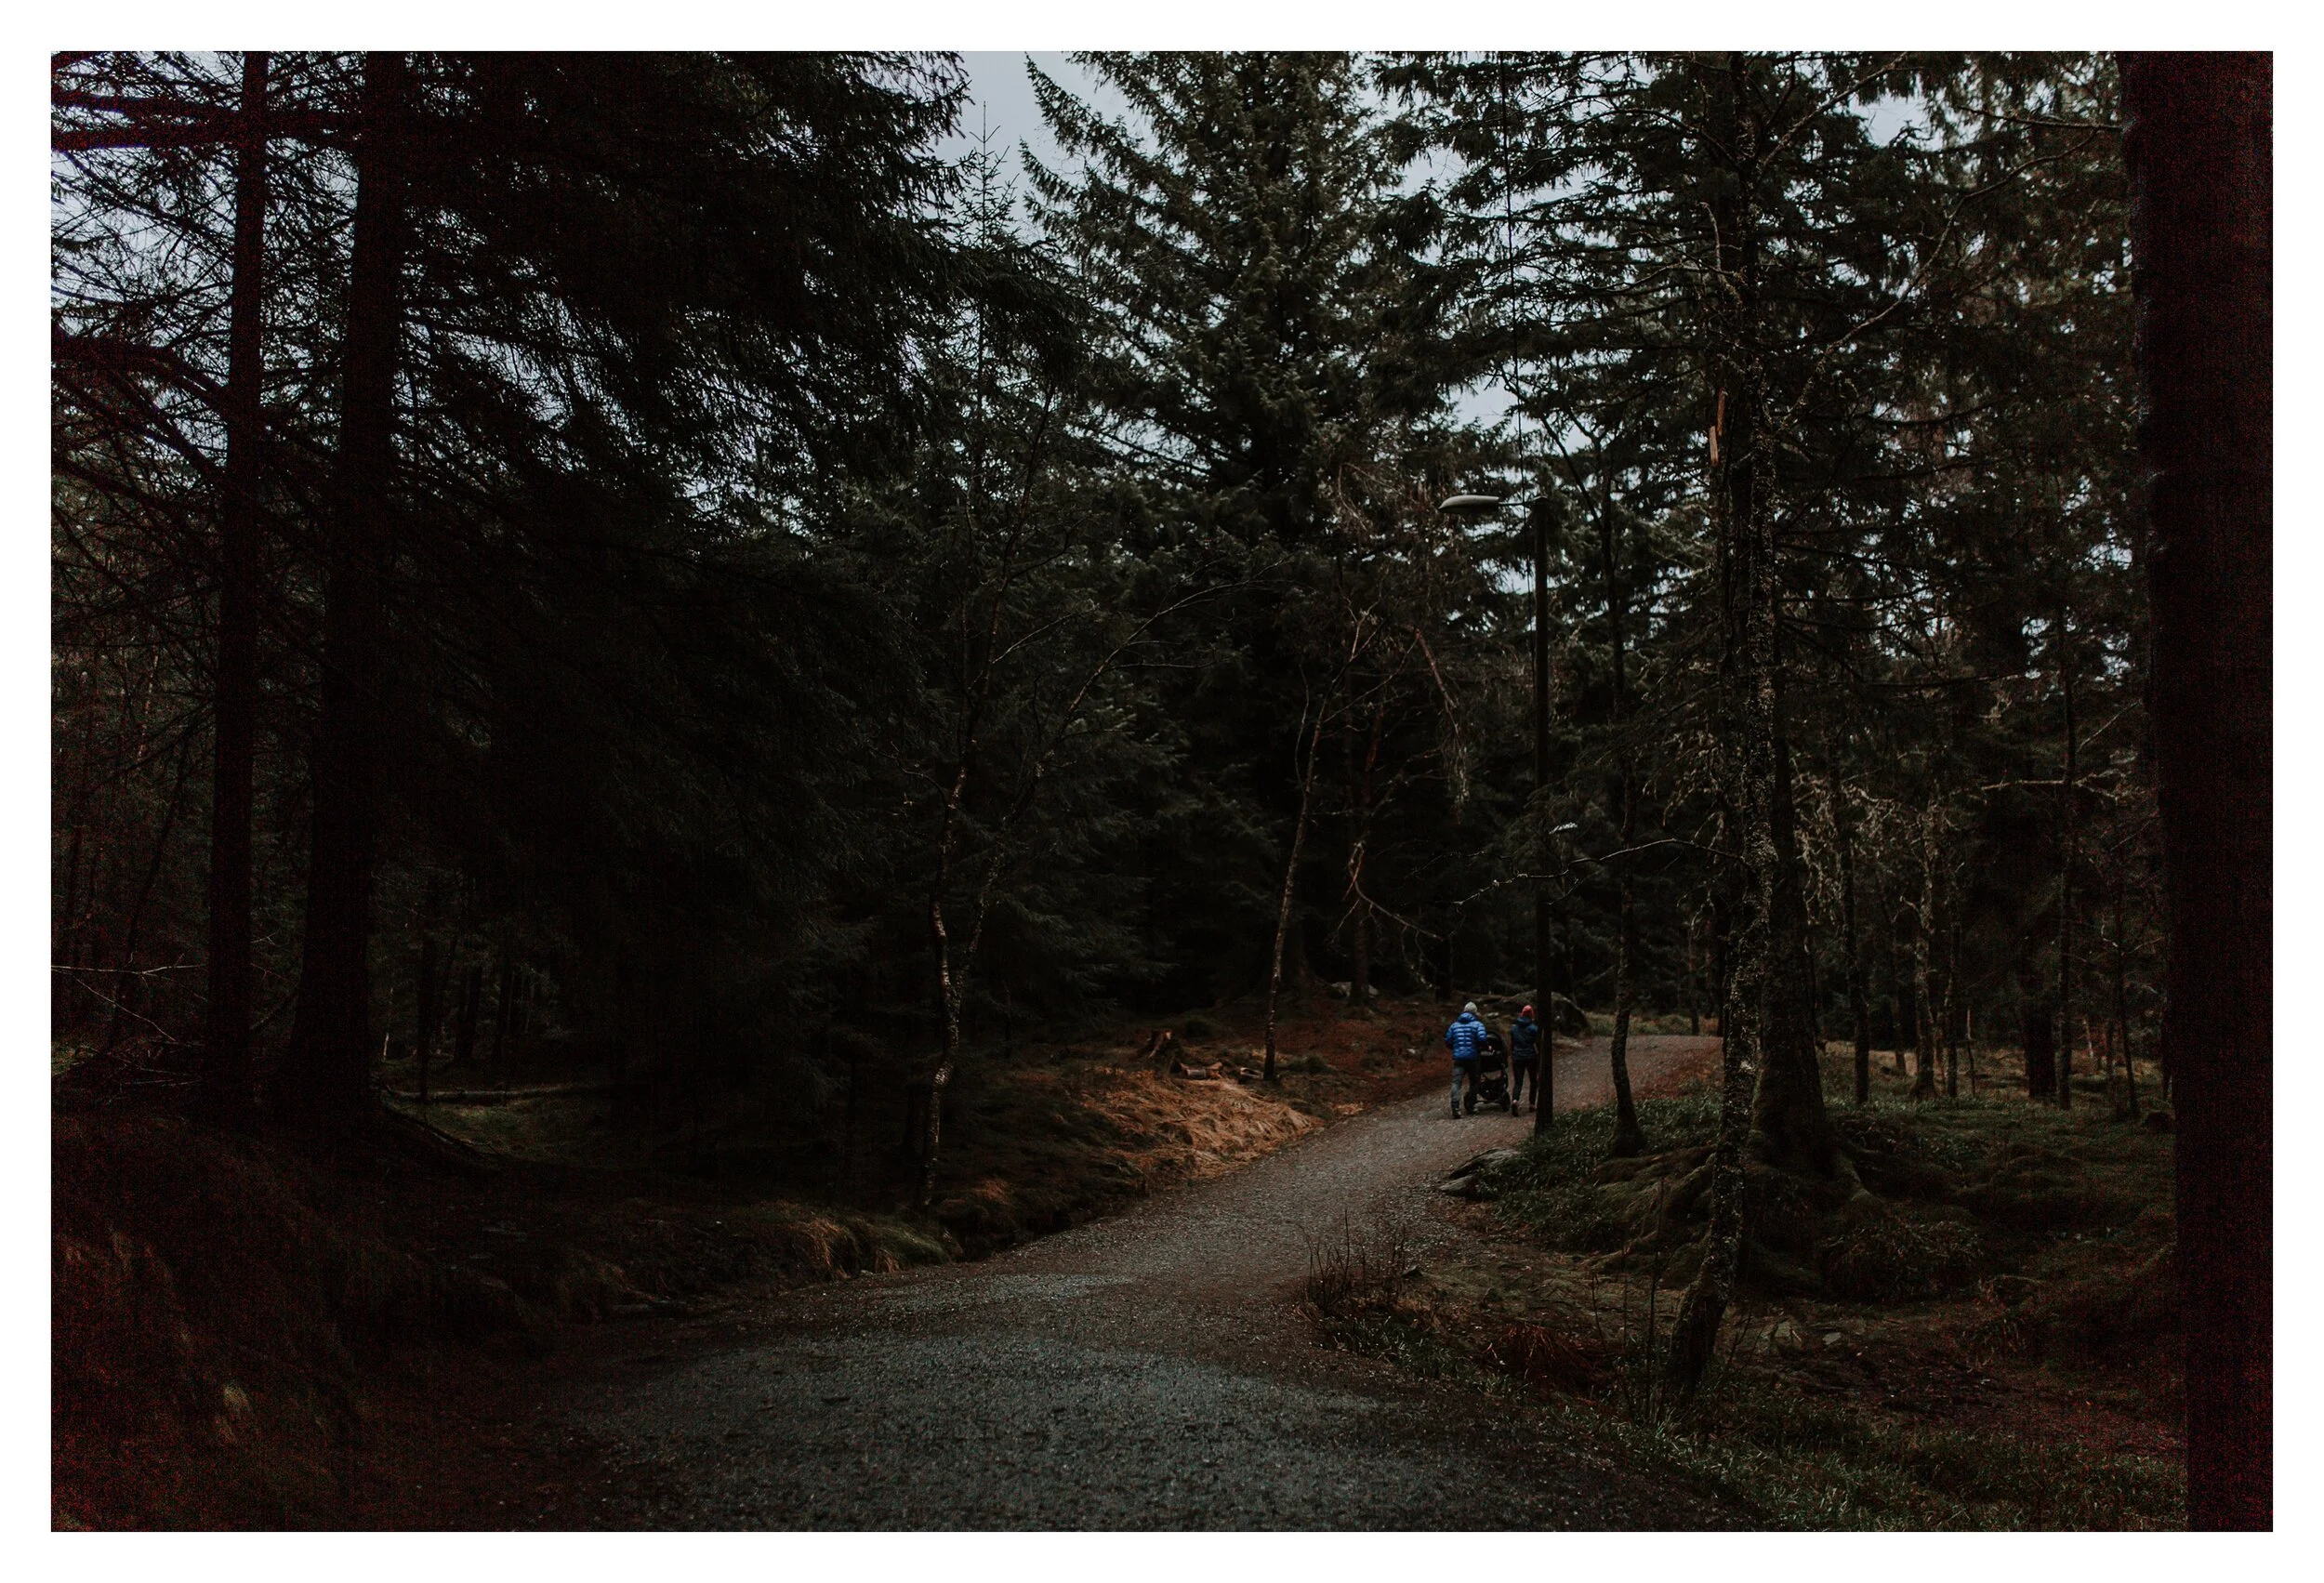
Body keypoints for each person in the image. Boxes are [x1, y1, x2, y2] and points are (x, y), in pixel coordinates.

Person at [1444, 1000, 1490, 1118]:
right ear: (1474, 1013)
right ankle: (1471, 1105)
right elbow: (1482, 1039)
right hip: (1473, 1058)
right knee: (1474, 1082)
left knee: (1456, 1083)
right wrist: (1484, 1047)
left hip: (1458, 1058)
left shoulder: (1454, 1025)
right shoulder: (1478, 1025)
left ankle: (1455, 1107)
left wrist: (1456, 1048)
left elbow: (1448, 1041)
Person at [1508, 1004, 1541, 1115]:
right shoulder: (1533, 1028)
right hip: (1530, 1056)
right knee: (1533, 1081)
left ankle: (1515, 1100)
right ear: (1531, 1015)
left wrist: (1512, 1054)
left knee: (1518, 1081)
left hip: (1517, 1056)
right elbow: (1537, 1043)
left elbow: (1512, 1044)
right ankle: (1532, 1104)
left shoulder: (1514, 1028)